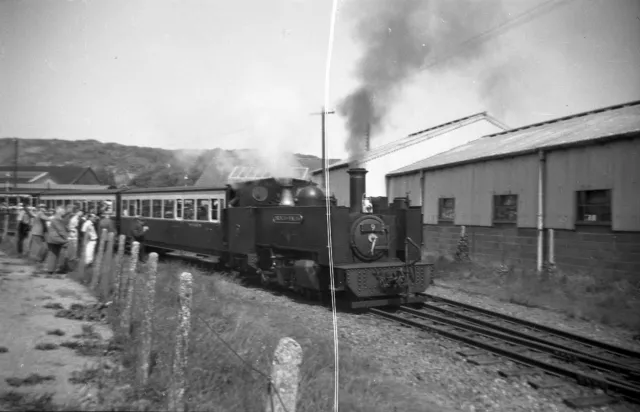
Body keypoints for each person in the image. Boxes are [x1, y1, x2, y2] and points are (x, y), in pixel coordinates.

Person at [45, 206, 69, 275]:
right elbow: (60, 230)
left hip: (52, 238)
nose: (64, 213)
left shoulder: (55, 218)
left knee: (53, 254)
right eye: (63, 211)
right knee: (56, 254)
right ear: (60, 212)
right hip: (56, 239)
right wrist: (66, 238)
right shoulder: (57, 219)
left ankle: (51, 270)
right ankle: (56, 269)